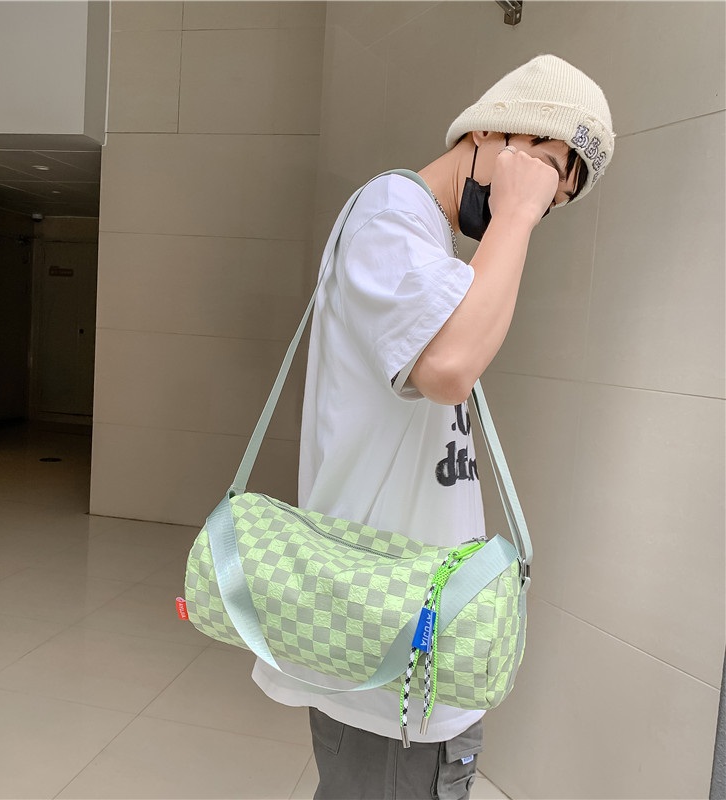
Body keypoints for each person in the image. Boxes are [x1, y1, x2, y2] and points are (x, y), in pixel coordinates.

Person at [252, 54, 614, 800]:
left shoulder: (425, 237)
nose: (541, 200)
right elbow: (448, 367)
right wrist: (514, 217)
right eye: (542, 168)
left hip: (410, 641)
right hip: (390, 660)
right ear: (486, 132)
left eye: (554, 197)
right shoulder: (390, 213)